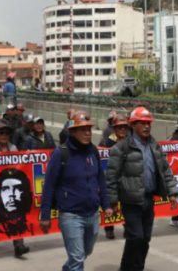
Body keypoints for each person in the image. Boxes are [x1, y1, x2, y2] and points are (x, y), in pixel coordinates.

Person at [106, 106, 178, 271]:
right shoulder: (121, 148)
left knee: (145, 238)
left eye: (148, 123)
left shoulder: (155, 146)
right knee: (136, 237)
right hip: (130, 202)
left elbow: (165, 169)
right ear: (133, 125)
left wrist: (172, 191)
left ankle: (138, 267)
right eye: (142, 123)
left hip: (148, 200)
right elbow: (111, 176)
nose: (146, 126)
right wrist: (112, 201)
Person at [40, 112, 113, 271]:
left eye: (89, 129)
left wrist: (106, 204)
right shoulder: (61, 153)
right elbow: (49, 185)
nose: (87, 133)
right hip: (70, 215)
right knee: (77, 257)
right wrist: (45, 215)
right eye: (82, 130)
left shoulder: (93, 150)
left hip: (92, 213)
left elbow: (100, 178)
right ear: (72, 132)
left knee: (85, 252)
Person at [0, 122, 30, 257]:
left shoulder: (14, 148)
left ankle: (19, 245)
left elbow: (22, 166)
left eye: (7, 133)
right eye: (1, 133)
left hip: (12, 189)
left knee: (17, 215)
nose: (4, 136)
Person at [99, 114, 129, 239]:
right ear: (114, 129)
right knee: (111, 204)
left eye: (124, 127)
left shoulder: (131, 141)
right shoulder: (106, 142)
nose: (122, 130)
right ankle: (109, 228)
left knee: (128, 205)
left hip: (127, 179)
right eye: (119, 127)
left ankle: (128, 227)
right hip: (111, 179)